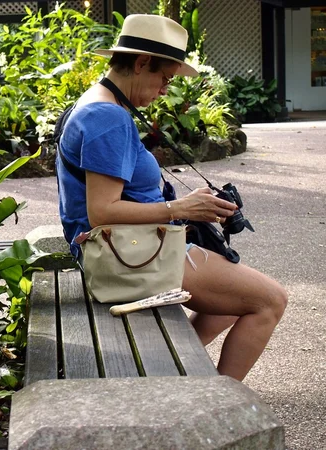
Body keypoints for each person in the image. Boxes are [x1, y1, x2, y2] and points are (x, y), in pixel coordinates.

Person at [56, 14, 288, 382]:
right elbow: (102, 212)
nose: (165, 90)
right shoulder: (107, 118)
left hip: (126, 250)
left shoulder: (94, 103)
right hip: (127, 257)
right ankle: (216, 405)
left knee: (230, 302)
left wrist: (192, 206)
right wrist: (181, 208)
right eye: (164, 78)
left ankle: (176, 379)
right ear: (142, 62)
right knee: (271, 301)